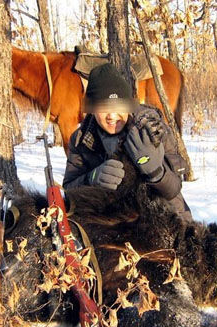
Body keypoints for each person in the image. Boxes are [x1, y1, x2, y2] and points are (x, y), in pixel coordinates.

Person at [63, 63, 192, 222]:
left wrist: (156, 172)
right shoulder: (81, 139)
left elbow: (174, 190)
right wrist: (91, 179)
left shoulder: (151, 129)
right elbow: (68, 189)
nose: (111, 116)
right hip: (112, 221)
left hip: (160, 217)